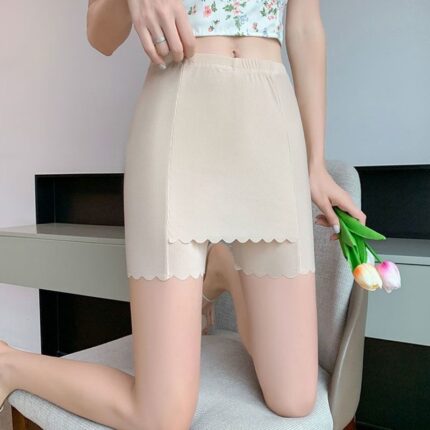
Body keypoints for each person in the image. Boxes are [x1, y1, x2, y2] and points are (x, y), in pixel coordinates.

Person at [0, 0, 366, 429]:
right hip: (177, 118)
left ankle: (221, 269)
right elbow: (100, 36)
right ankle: (9, 364)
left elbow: (305, 28)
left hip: (271, 122)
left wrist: (315, 163)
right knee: (162, 416)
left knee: (295, 398)